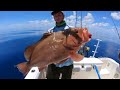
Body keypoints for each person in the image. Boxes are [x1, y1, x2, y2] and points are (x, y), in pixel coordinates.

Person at [46, 11, 74, 79]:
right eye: (55, 16)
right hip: (53, 63)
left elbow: (76, 45)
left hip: (67, 63)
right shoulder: (50, 31)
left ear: (63, 16)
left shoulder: (72, 29)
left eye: (59, 15)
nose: (57, 17)